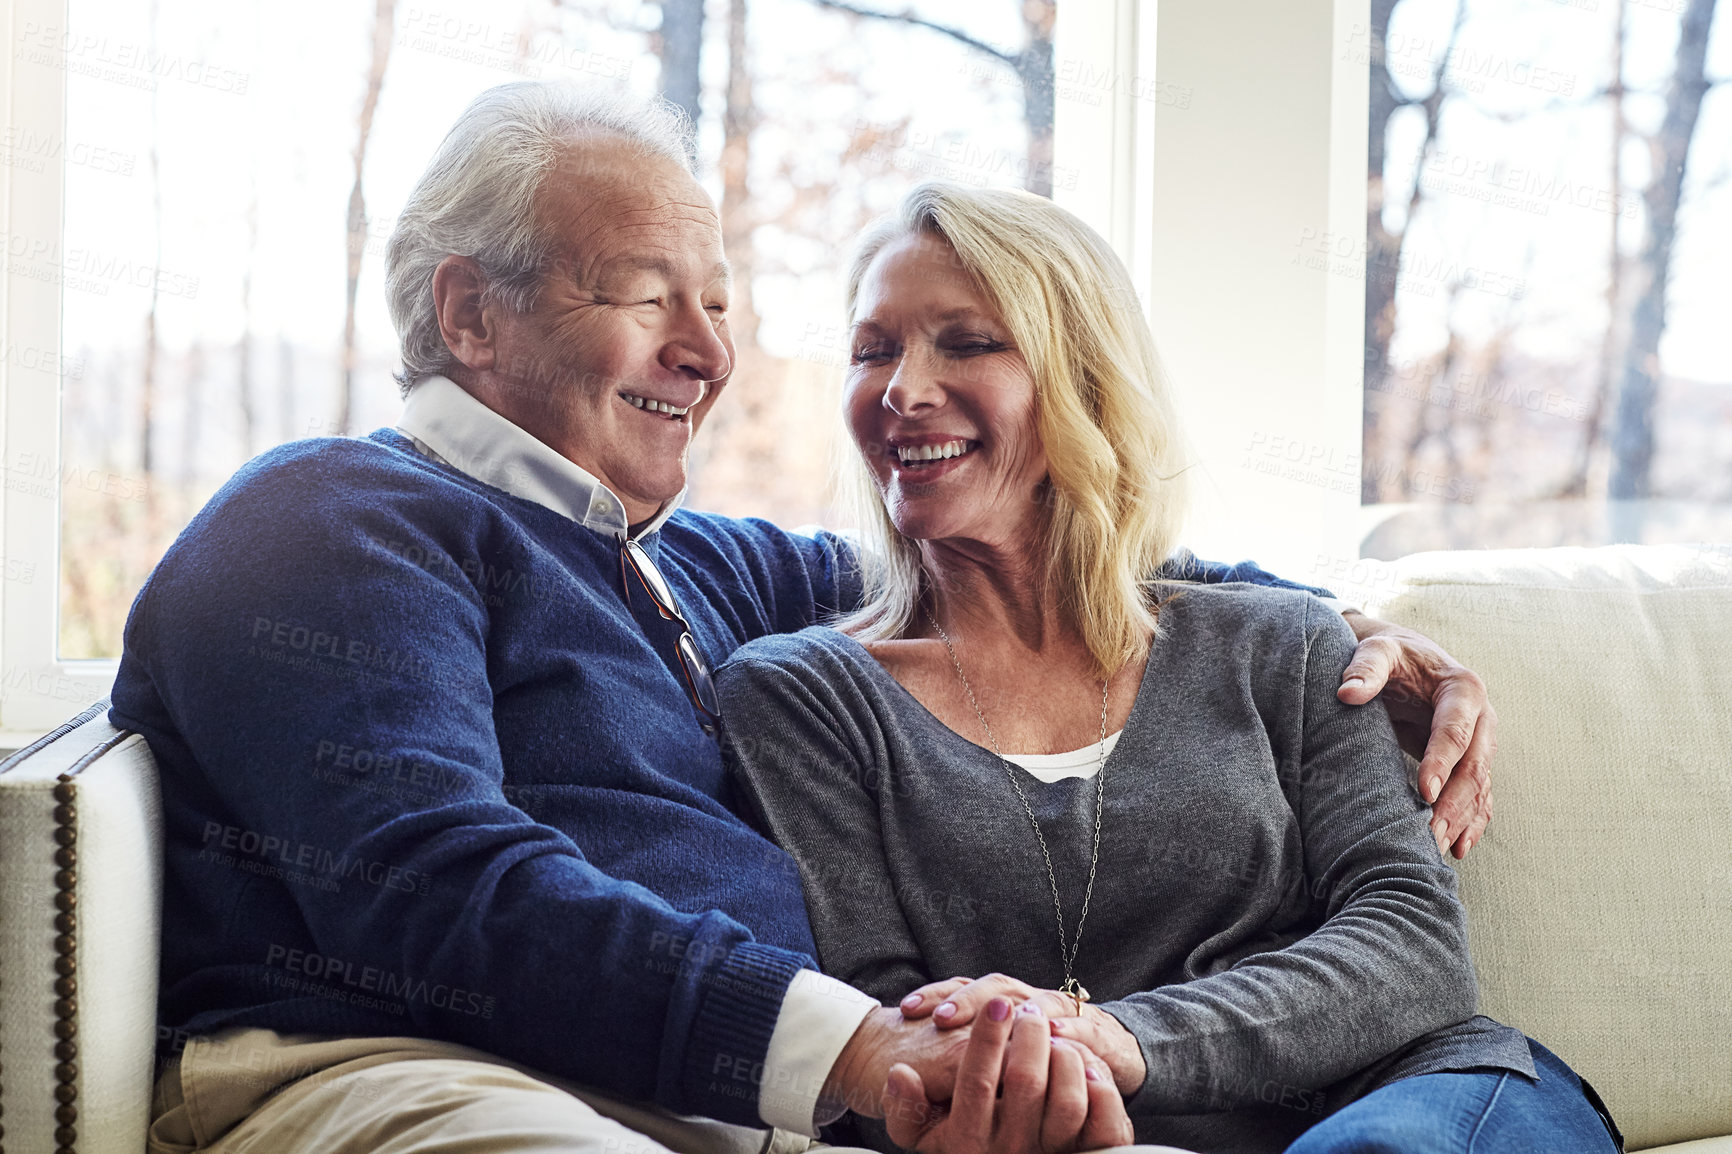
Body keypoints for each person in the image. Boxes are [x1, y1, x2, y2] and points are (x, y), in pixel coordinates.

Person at [111, 83, 1493, 1154]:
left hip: (699, 1101)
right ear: (472, 310)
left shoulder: (684, 567)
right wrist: (862, 1049)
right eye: (649, 296)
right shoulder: (334, 518)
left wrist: (1347, 623)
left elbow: (1027, 548)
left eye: (717, 304)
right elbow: (430, 878)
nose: (710, 354)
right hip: (412, 1072)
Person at [715, 183, 1624, 1154]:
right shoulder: (799, 697)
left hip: (1421, 1097)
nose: (902, 385)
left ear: (1085, 378)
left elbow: (1413, 945)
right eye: (872, 350)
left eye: (967, 341)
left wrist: (1118, 1036)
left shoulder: (1289, 644)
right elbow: (889, 1028)